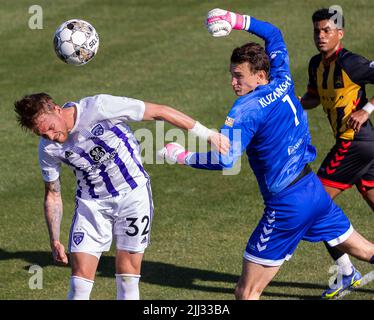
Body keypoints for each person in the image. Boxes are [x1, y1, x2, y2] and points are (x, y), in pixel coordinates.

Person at [158, 8, 374, 300]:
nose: (233, 83)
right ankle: (346, 272)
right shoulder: (282, 76)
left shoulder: (245, 110)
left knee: (246, 292)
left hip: (286, 206)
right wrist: (235, 20)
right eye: (232, 75)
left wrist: (181, 156)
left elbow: (226, 159)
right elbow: (273, 33)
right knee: (365, 250)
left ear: (260, 75)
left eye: (238, 76)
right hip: (313, 191)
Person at [14, 93, 229, 300]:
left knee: (127, 277)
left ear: (57, 110)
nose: (51, 137)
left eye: (51, 129)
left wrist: (208, 135)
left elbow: (159, 111)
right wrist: (54, 239)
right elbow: (53, 193)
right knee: (78, 283)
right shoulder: (48, 148)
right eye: (42, 135)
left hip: (133, 198)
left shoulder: (99, 107)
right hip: (92, 206)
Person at [300, 8, 374, 298]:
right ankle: (346, 272)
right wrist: (289, 102)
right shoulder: (315, 64)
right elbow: (312, 99)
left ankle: (346, 272)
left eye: (327, 30)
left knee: (313, 205)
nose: (321, 36)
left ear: (339, 34)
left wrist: (366, 110)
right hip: (361, 147)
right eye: (317, 31)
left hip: (354, 143)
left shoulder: (352, 63)